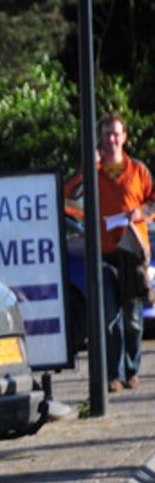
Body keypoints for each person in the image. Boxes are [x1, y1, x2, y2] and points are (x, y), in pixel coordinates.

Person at [65, 113, 155, 393]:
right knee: (110, 316)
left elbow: (153, 201)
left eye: (116, 134)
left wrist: (142, 213)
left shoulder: (138, 170)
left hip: (131, 250)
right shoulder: (95, 171)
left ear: (124, 137)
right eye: (107, 134)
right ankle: (112, 376)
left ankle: (132, 370)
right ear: (100, 138)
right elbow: (68, 195)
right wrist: (86, 169)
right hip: (103, 251)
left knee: (132, 316)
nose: (112, 139)